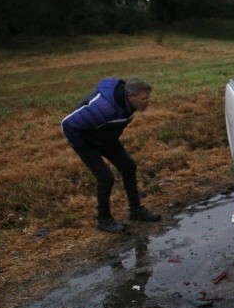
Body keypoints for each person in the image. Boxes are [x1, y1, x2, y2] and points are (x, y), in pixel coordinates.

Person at [61, 77, 161, 233]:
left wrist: (106, 140)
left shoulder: (127, 104)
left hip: (105, 137)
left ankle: (135, 211)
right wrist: (85, 148)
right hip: (86, 142)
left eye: (148, 97)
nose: (147, 102)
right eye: (144, 99)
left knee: (128, 166)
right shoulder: (103, 107)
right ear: (130, 96)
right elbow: (67, 124)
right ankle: (104, 220)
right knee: (106, 178)